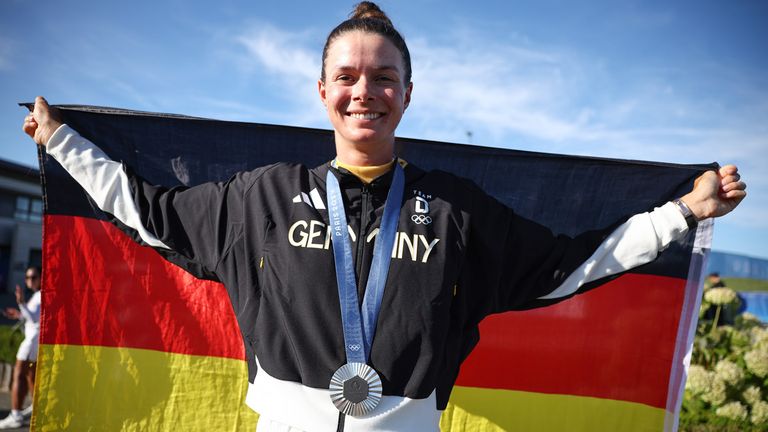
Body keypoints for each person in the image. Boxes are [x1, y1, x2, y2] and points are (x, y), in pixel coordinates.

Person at [22, 2, 746, 431]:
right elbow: (151, 216)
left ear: (406, 94)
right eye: (347, 76)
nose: (364, 90)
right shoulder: (261, 198)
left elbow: (568, 267)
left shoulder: (455, 210)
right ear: (322, 90)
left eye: (383, 78)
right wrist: (64, 144)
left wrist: (684, 211)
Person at [0, 266, 42, 429]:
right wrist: (18, 314)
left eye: (33, 277)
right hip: (34, 341)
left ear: (41, 278)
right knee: (31, 376)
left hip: (31, 342)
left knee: (18, 374)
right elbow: (32, 317)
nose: (29, 280)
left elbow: (34, 319)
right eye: (27, 278)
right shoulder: (38, 295)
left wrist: (21, 302)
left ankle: (16, 414)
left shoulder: (40, 295)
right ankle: (36, 409)